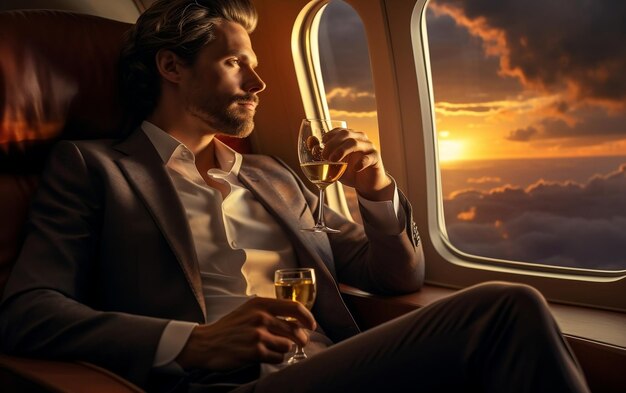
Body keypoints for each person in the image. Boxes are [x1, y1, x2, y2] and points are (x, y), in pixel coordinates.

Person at [0, 1, 590, 392]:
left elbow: (397, 276)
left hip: (328, 366)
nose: (259, 85)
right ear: (170, 67)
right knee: (505, 307)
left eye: (256, 65)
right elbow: (27, 311)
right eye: (235, 63)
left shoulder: (274, 175)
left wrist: (376, 190)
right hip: (221, 382)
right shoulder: (94, 167)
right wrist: (195, 342)